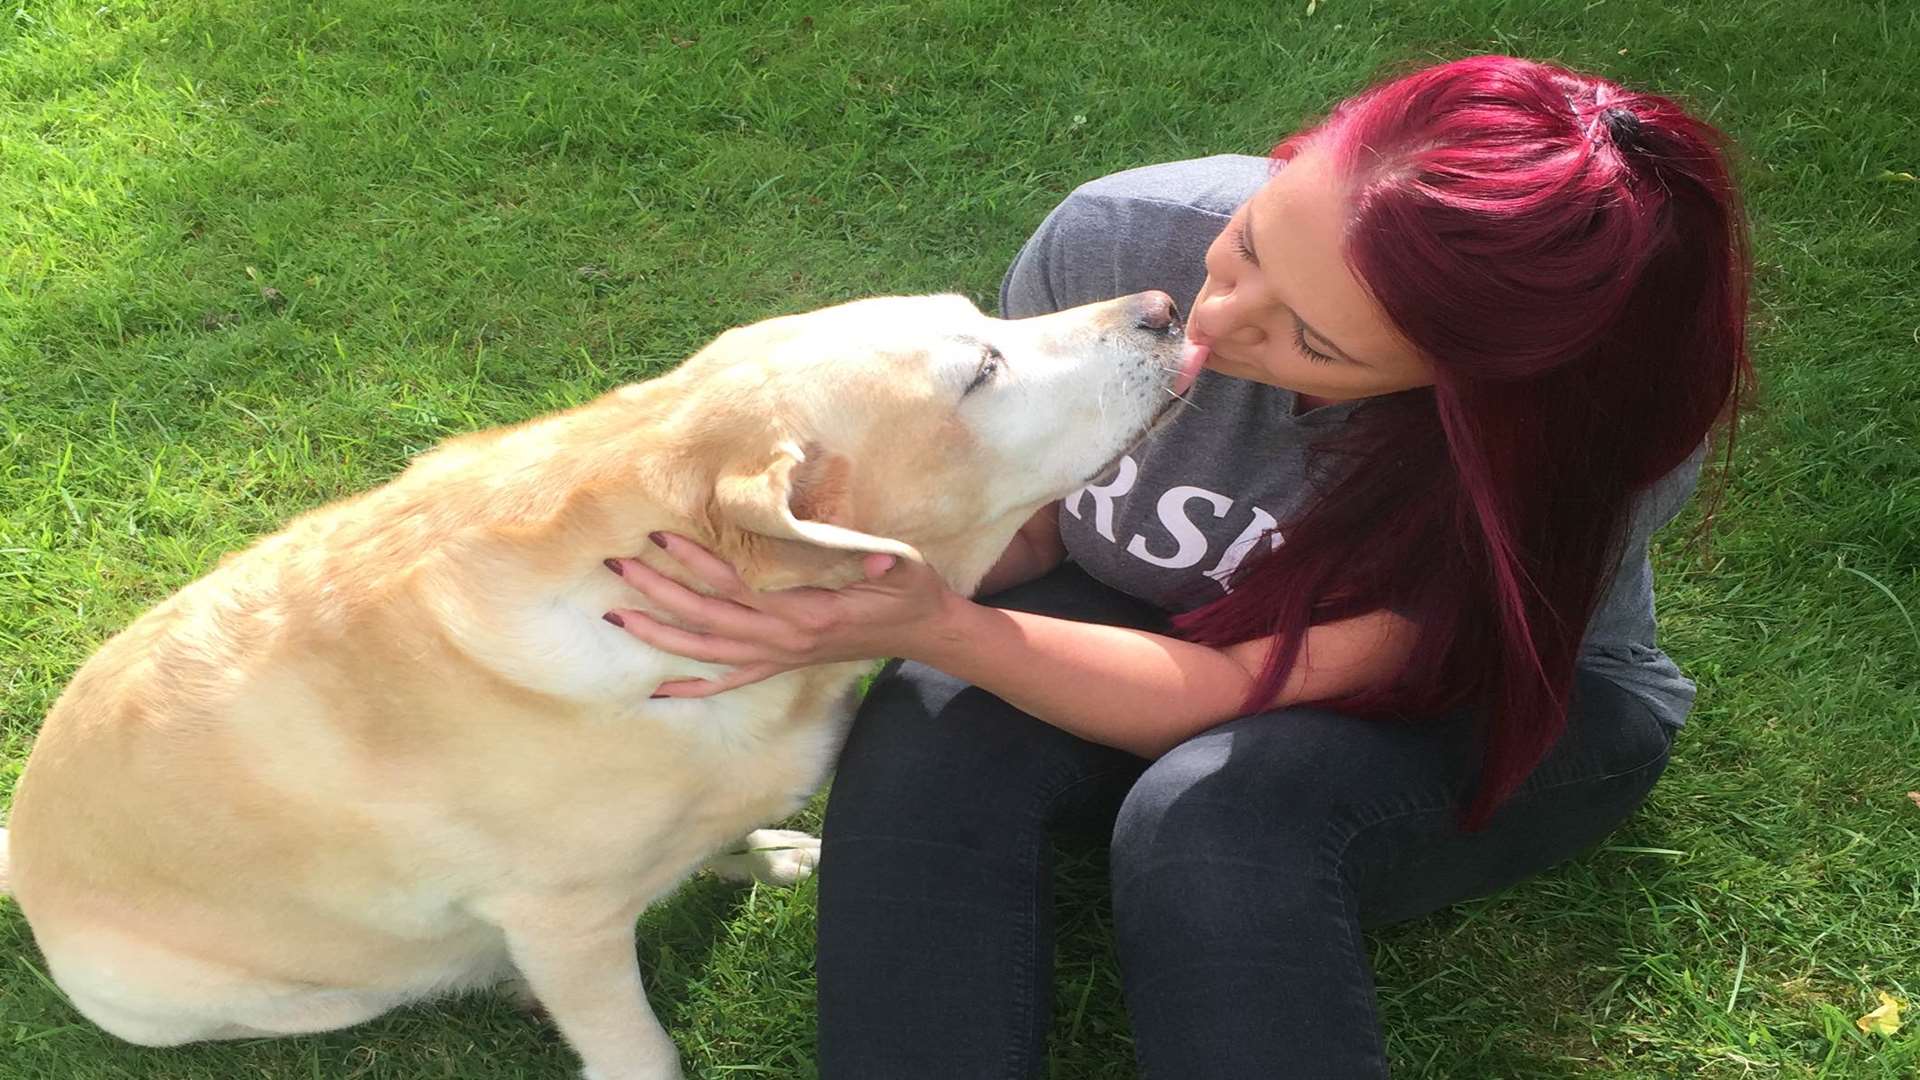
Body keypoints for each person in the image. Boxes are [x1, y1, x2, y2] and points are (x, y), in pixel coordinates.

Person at [598, 55, 1753, 1079]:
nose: (1212, 314)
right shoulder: (1121, 232)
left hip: (1461, 704)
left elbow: (1223, 697)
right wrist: (813, 573)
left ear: (1474, 389)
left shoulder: (1561, 447)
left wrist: (935, 621)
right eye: (1250, 238)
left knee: (1211, 821)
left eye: (1312, 340)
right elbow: (1046, 524)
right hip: (1151, 609)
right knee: (923, 736)